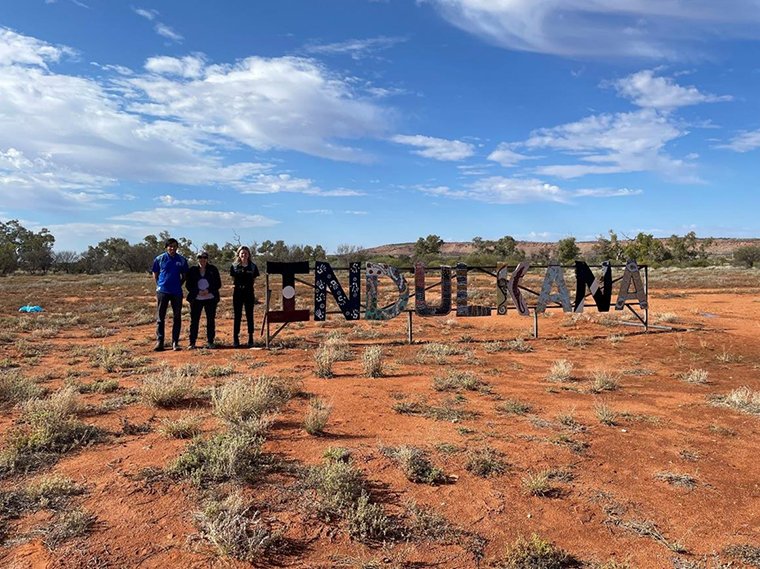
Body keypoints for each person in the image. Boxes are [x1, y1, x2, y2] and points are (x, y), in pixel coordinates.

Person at [152, 238, 189, 351]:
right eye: (170, 246)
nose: (172, 248)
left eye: (174, 246)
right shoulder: (160, 259)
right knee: (160, 317)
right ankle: (160, 341)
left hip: (176, 292)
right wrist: (159, 284)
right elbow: (155, 273)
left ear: (177, 247)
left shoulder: (182, 260)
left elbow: (184, 275)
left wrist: (179, 284)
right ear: (166, 247)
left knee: (177, 317)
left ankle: (175, 342)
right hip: (163, 291)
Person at [185, 250, 222, 349]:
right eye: (200, 257)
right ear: (197, 259)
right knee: (194, 321)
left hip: (210, 298)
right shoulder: (192, 270)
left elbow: (218, 283)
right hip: (196, 299)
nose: (202, 259)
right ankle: (192, 342)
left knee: (210, 321)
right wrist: (197, 291)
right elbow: (188, 285)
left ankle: (210, 342)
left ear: (207, 259)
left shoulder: (213, 269)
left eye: (205, 257)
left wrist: (208, 290)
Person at [230, 245, 260, 348]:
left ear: (249, 255)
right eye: (242, 253)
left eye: (246, 253)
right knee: (237, 316)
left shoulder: (253, 266)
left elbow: (254, 279)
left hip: (249, 293)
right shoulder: (234, 266)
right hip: (237, 293)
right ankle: (235, 338)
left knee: (249, 315)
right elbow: (233, 279)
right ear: (238, 254)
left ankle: (250, 338)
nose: (244, 255)